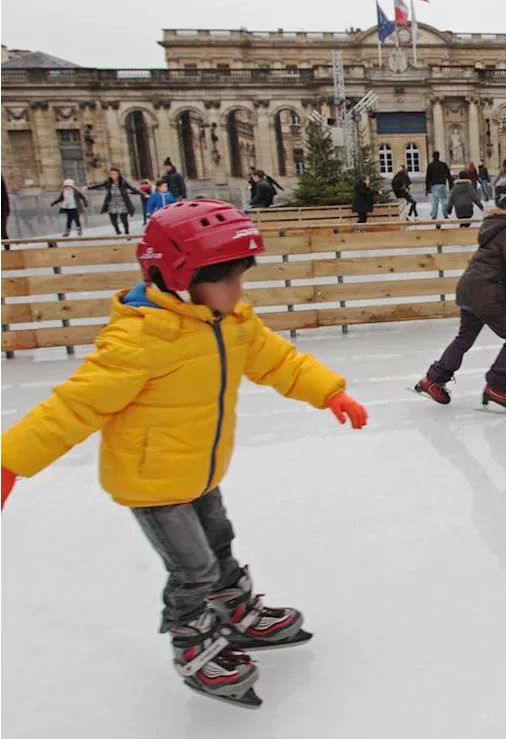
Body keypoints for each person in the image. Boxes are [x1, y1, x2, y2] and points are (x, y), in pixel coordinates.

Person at [0, 199, 368, 707]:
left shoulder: (231, 319)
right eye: (228, 280)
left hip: (201, 468)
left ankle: (233, 610)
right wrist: (9, 461)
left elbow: (278, 361)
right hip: (151, 480)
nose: (239, 291)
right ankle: (192, 642)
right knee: (192, 567)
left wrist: (330, 391)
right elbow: (74, 406)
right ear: (180, 277)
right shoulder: (140, 338)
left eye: (241, 277)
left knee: (219, 543)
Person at [413, 174, 506, 409]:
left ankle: (433, 379)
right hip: (487, 293)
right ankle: (496, 385)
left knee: (464, 338)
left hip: (470, 288)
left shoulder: (500, 225)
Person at [87, 168, 143, 235]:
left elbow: (132, 188)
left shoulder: (123, 181)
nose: (113, 175)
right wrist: (88, 187)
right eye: (111, 174)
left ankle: (126, 232)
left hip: (122, 202)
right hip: (112, 203)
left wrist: (143, 194)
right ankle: (117, 231)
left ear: (118, 174)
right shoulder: (107, 181)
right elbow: (99, 185)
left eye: (114, 174)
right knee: (113, 219)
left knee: (124, 219)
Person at [426, 151, 452, 220]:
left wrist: (427, 188)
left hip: (434, 185)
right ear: (439, 156)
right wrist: (451, 185)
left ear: (433, 156)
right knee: (444, 199)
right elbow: (449, 175)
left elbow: (428, 177)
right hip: (442, 184)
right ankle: (445, 214)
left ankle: (434, 215)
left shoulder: (430, 165)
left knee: (435, 200)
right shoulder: (443, 164)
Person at [0, 171, 9, 241]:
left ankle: (7, 250)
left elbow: (5, 197)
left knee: (3, 232)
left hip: (3, 211)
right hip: (3, 210)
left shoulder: (1, 183)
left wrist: (6, 210)